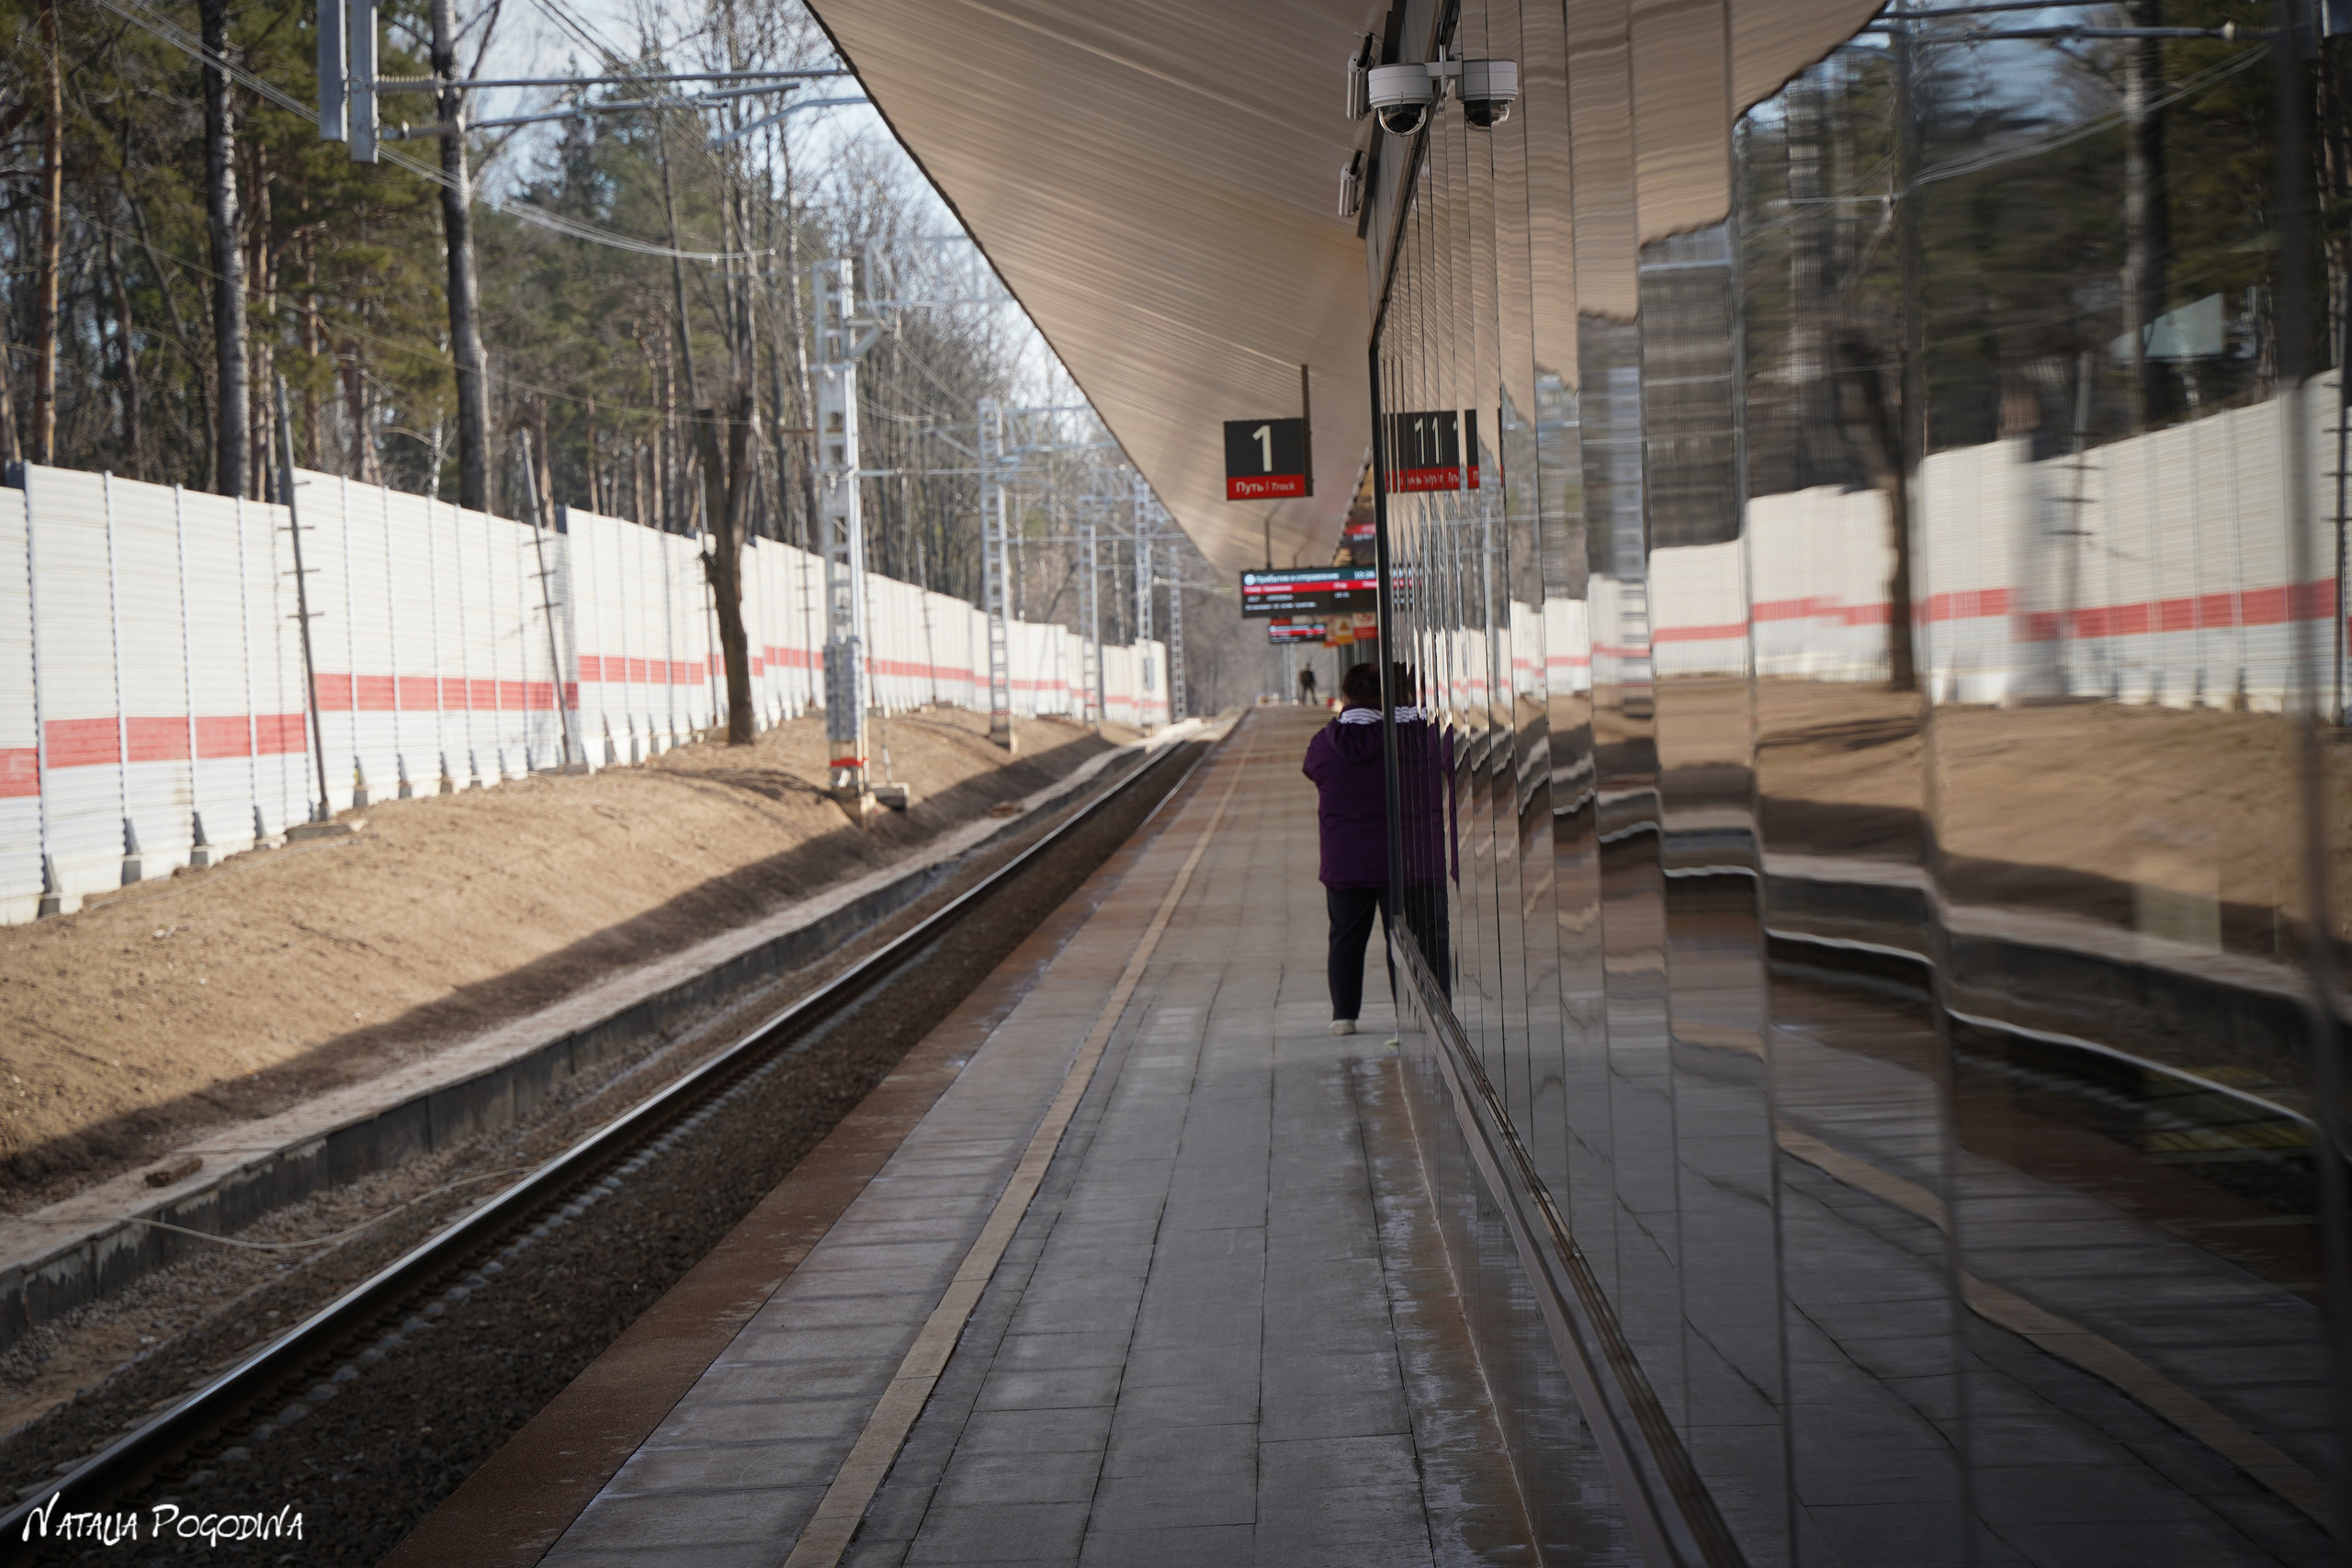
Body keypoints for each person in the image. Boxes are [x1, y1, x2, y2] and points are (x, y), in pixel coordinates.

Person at [1301, 661, 1453, 1037]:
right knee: (1413, 939)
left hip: (1347, 860)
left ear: (1347, 696)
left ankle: (1344, 1017)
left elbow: (1312, 769)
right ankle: (1420, 1012)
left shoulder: (1325, 742)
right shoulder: (1422, 736)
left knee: (1346, 937)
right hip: (1411, 861)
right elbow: (1452, 761)